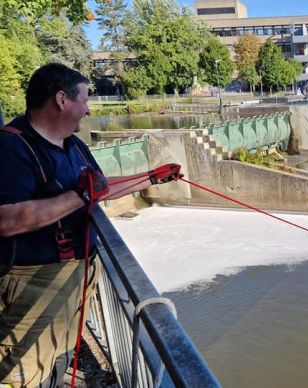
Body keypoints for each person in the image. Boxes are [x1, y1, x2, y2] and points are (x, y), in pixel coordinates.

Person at [0, 63, 182, 388]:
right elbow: (9, 220)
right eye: (84, 100)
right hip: (34, 285)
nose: (87, 110)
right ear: (61, 100)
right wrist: (80, 194)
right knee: (22, 373)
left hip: (76, 278)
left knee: (58, 358)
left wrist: (152, 177)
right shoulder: (11, 147)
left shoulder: (75, 146)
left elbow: (99, 190)